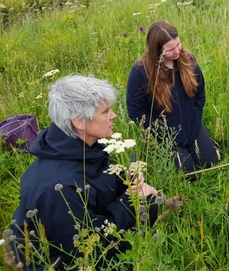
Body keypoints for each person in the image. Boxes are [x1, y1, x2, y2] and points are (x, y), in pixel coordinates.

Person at [6, 75, 158, 271]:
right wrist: (133, 203)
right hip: (65, 261)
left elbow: (96, 182)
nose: (114, 116)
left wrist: (125, 181)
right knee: (150, 206)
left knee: (151, 203)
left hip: (81, 234)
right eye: (105, 112)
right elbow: (89, 246)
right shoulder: (58, 188)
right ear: (79, 121)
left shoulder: (80, 145)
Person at [126, 20, 218, 174]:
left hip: (192, 127)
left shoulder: (188, 60)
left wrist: (195, 117)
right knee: (188, 172)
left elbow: (200, 93)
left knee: (211, 163)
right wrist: (160, 132)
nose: (177, 51)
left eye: (178, 44)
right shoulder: (140, 71)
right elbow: (136, 111)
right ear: (156, 51)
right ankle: (164, 153)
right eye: (170, 49)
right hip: (165, 138)